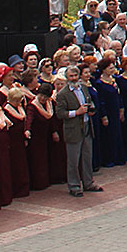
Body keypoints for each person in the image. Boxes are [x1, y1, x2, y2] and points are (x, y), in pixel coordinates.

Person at [54, 66, 100, 196]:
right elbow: (60, 113)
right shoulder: (63, 94)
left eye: (75, 76)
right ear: (67, 78)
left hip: (86, 126)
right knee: (73, 160)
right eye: (71, 76)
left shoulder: (84, 88)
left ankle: (88, 182)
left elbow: (89, 102)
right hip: (73, 129)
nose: (74, 79)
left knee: (87, 156)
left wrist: (91, 109)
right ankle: (74, 186)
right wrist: (76, 112)